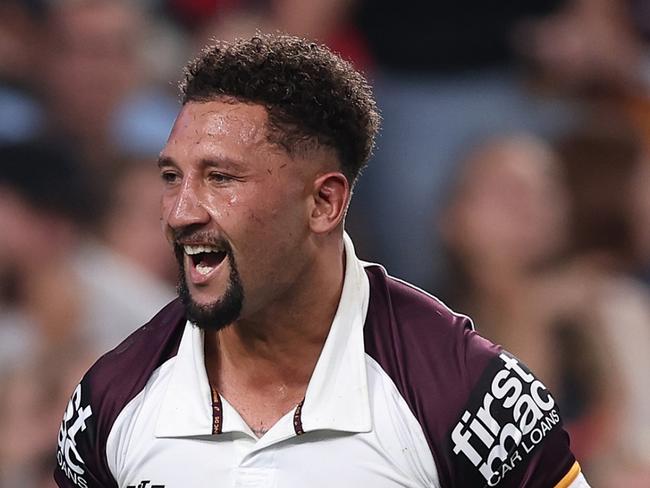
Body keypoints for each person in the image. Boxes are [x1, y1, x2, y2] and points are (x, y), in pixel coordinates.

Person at [54, 34, 590, 487]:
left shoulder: (468, 395)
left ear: (324, 203)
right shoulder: (110, 399)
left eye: (220, 178)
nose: (179, 212)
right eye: (172, 177)